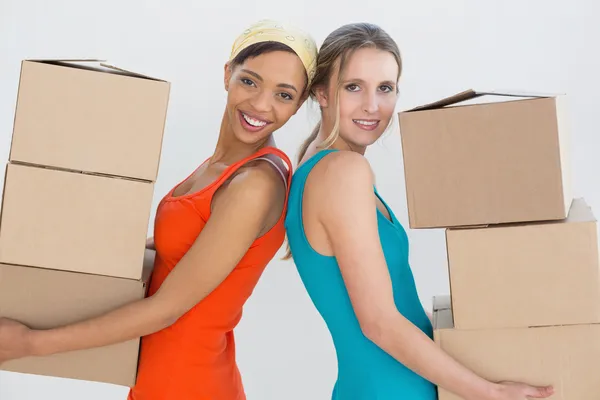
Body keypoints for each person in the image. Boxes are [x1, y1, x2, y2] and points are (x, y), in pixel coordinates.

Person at [0, 20, 317, 400]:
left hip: (186, 381)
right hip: (158, 373)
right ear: (227, 73)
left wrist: (33, 344)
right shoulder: (221, 166)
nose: (261, 105)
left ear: (300, 104)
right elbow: (169, 253)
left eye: (284, 95)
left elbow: (166, 309)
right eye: (249, 81)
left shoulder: (255, 184)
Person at [284, 22, 555, 400]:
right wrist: (490, 392)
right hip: (392, 390)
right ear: (322, 93)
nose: (372, 106)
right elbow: (379, 323)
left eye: (385, 88)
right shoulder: (342, 172)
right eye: (353, 87)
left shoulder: (320, 169)